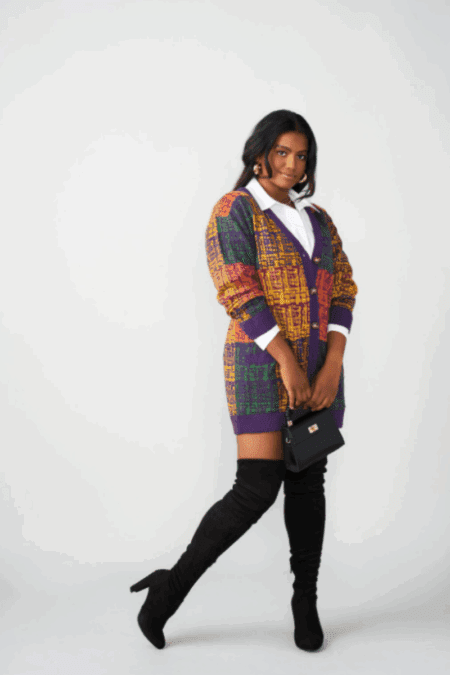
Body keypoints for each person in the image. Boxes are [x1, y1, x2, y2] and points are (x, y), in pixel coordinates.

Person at [129, 109, 358, 652]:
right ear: (259, 155)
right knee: (256, 488)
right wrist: (286, 362)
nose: (292, 164)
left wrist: (331, 364)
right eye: (282, 153)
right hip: (259, 367)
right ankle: (168, 590)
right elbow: (237, 289)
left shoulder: (319, 220)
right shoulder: (235, 210)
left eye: (301, 155)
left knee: (308, 482)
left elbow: (344, 288)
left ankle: (305, 602)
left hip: (320, 370)